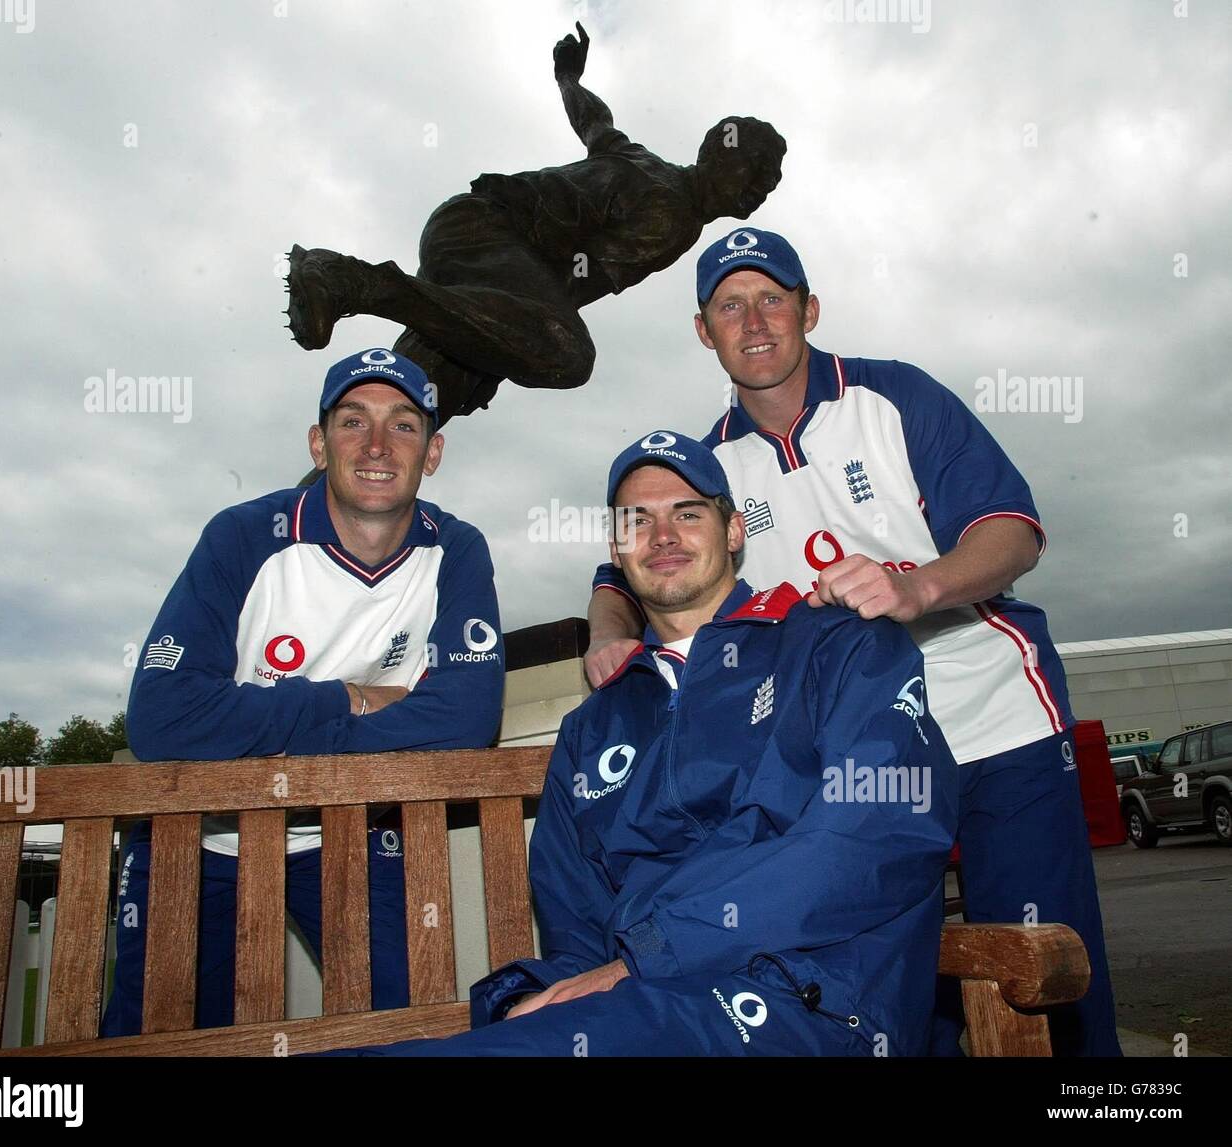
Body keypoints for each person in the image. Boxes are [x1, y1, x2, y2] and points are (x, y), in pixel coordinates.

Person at [584, 230, 1121, 1057]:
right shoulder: (714, 462)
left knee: (1044, 977)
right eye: (731, 304)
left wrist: (919, 586)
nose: (754, 319)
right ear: (704, 331)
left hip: (991, 722)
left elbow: (1014, 529)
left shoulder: (895, 395)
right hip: (857, 755)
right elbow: (631, 563)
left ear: (809, 309)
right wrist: (609, 636)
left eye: (772, 298)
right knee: (904, 983)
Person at [322, 433, 957, 1057]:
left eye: (688, 513)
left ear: (735, 530)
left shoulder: (835, 646)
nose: (663, 537)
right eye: (637, 521)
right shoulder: (594, 726)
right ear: (616, 550)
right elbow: (576, 925)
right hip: (641, 1008)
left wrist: (647, 959)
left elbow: (872, 842)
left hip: (809, 999)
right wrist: (542, 995)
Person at [101, 348, 505, 1036]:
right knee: (161, 1039)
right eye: (353, 421)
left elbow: (469, 717)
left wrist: (268, 732)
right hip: (203, 835)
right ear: (319, 444)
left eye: (403, 425)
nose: (377, 445)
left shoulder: (456, 548)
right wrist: (344, 697)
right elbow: (164, 718)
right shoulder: (241, 536)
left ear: (432, 452)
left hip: (351, 827)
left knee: (406, 1029)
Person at [284, 23, 786, 421]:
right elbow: (576, 282)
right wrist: (517, 344)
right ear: (713, 151)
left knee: (408, 413)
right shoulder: (673, 218)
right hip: (487, 237)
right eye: (756, 165)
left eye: (770, 178)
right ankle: (352, 280)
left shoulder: (639, 158)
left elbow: (594, 121)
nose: (761, 183)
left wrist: (567, 76)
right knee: (566, 354)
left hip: (470, 240)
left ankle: (313, 504)